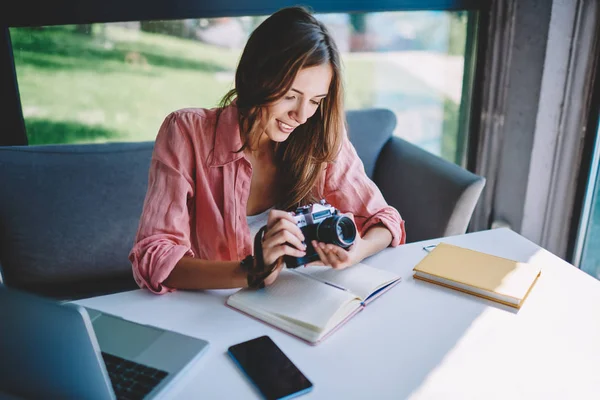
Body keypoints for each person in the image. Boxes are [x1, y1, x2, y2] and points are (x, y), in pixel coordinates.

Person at [129, 6, 406, 294]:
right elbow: (154, 256)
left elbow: (384, 220)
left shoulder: (320, 137)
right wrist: (254, 271)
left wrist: (356, 251)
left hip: (296, 305)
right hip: (209, 309)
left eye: (315, 101)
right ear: (256, 77)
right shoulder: (187, 133)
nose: (301, 116)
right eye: (290, 96)